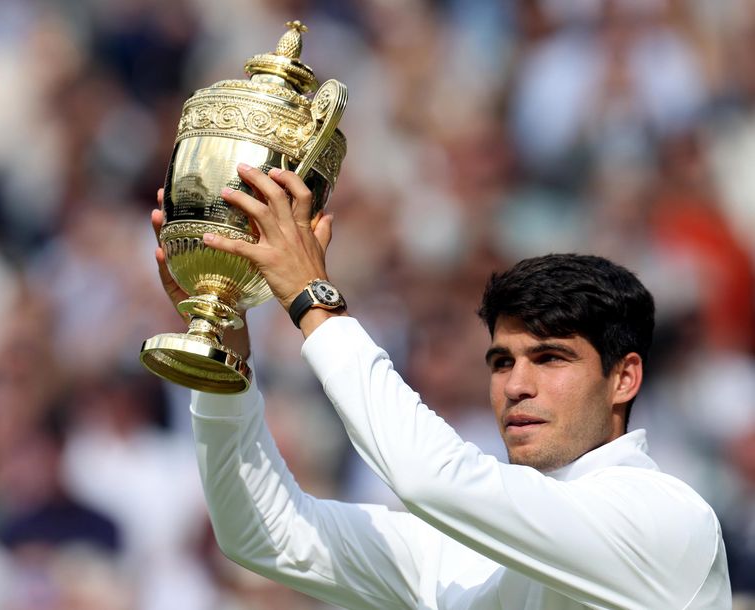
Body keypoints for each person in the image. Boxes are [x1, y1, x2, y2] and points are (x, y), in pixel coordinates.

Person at [150, 164, 731, 609]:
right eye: (502, 362)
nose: (517, 385)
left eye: (550, 358)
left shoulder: (666, 518)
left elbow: (432, 479)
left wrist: (313, 302)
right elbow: (263, 533)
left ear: (624, 378)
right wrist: (222, 341)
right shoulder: (464, 554)